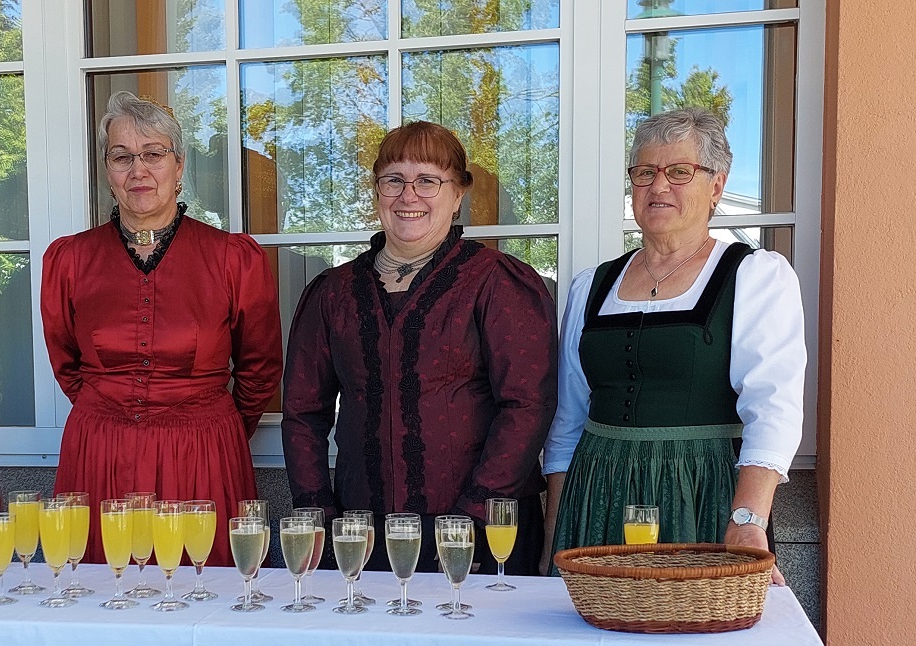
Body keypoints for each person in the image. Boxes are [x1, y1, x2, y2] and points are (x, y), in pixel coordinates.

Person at [282, 121, 557, 574]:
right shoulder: (333, 292)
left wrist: (473, 515)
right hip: (361, 531)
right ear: (377, 192)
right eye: (394, 180)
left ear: (458, 194)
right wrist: (317, 513)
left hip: (480, 529)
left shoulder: (497, 282)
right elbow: (302, 412)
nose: (408, 196)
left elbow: (527, 405)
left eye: (428, 180)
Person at [541, 108, 805, 581]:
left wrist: (748, 520)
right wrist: (553, 538)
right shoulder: (592, 286)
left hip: (696, 493)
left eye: (680, 172)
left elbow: (773, 408)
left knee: (690, 619)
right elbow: (568, 423)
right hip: (595, 495)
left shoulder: (753, 276)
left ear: (716, 186)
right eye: (645, 172)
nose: (658, 186)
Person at [42, 92, 281, 566]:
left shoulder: (233, 259)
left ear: (179, 165)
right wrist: (108, 413)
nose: (138, 170)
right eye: (121, 157)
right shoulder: (69, 260)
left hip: (203, 456)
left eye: (153, 154)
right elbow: (66, 363)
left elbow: (260, 367)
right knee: (99, 593)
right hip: (99, 455)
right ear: (107, 170)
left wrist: (213, 427)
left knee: (202, 591)